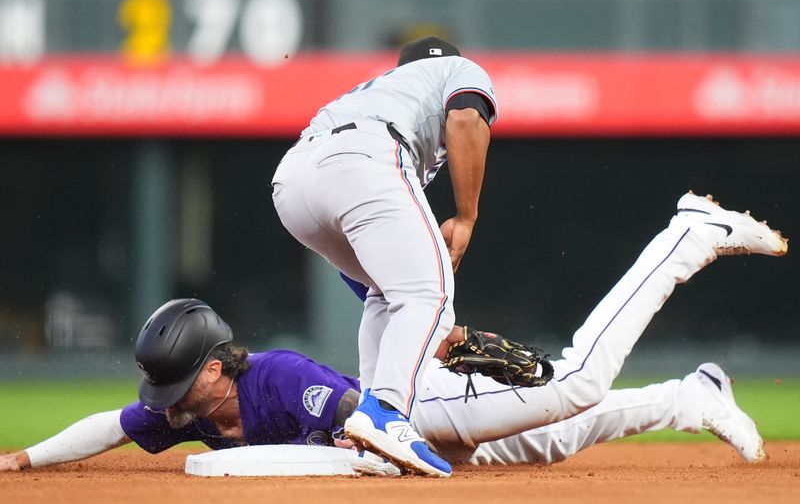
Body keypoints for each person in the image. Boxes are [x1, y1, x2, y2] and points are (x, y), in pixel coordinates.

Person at [0, 192, 787, 475]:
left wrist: (368, 436)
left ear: (217, 366)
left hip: (415, 410)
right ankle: (690, 395)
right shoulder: (190, 409)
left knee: (575, 379)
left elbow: (367, 422)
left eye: (178, 386)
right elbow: (113, 424)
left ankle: (686, 237)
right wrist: (28, 457)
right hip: (421, 419)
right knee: (557, 438)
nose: (168, 406)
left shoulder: (275, 380)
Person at [270, 35, 498, 476]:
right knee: (431, 295)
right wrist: (467, 217)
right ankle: (385, 412)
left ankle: (370, 434)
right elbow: (468, 116)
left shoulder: (374, 91)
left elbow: (372, 269)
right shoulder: (457, 68)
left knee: (387, 293)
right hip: (363, 156)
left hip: (293, 182)